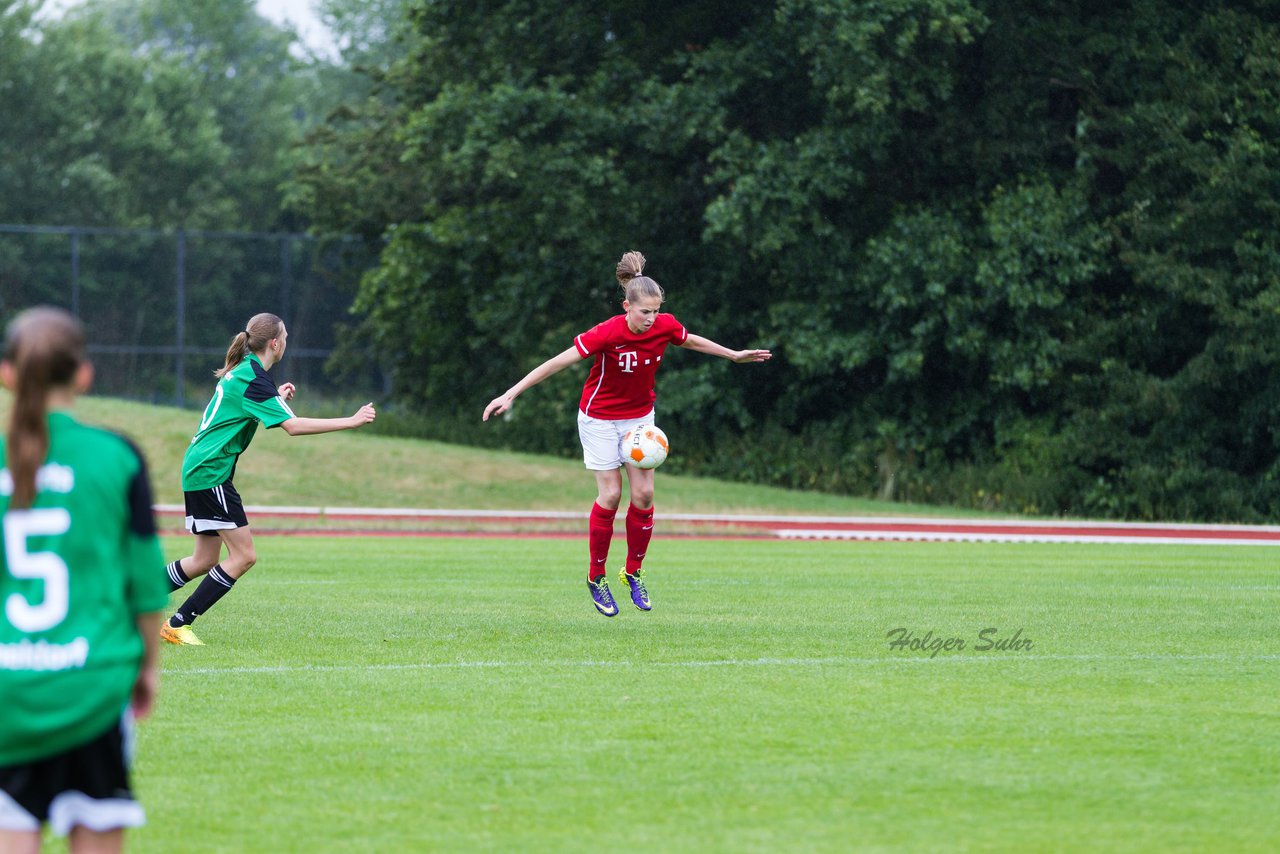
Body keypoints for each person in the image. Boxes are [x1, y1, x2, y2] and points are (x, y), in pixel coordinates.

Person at [483, 251, 771, 617]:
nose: (651, 319)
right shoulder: (607, 332)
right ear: (626, 307)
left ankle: (632, 571)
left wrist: (733, 355)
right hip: (599, 418)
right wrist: (510, 394)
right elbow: (557, 362)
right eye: (644, 312)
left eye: (655, 311)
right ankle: (595, 577)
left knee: (645, 494)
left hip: (639, 419)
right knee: (611, 494)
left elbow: (692, 340)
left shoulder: (664, 326)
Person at [0, 307, 167, 853]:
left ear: (7, 373)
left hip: (9, 694)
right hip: (92, 685)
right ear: (83, 374)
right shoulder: (116, 457)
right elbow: (145, 586)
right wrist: (147, 668)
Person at [160, 312, 376, 646]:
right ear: (275, 343)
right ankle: (176, 623)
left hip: (200, 468)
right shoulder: (254, 379)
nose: (286, 341)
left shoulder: (247, 372)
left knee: (204, 560)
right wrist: (350, 420)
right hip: (211, 471)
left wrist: (276, 398)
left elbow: (247, 408)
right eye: (285, 336)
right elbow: (293, 427)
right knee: (244, 556)